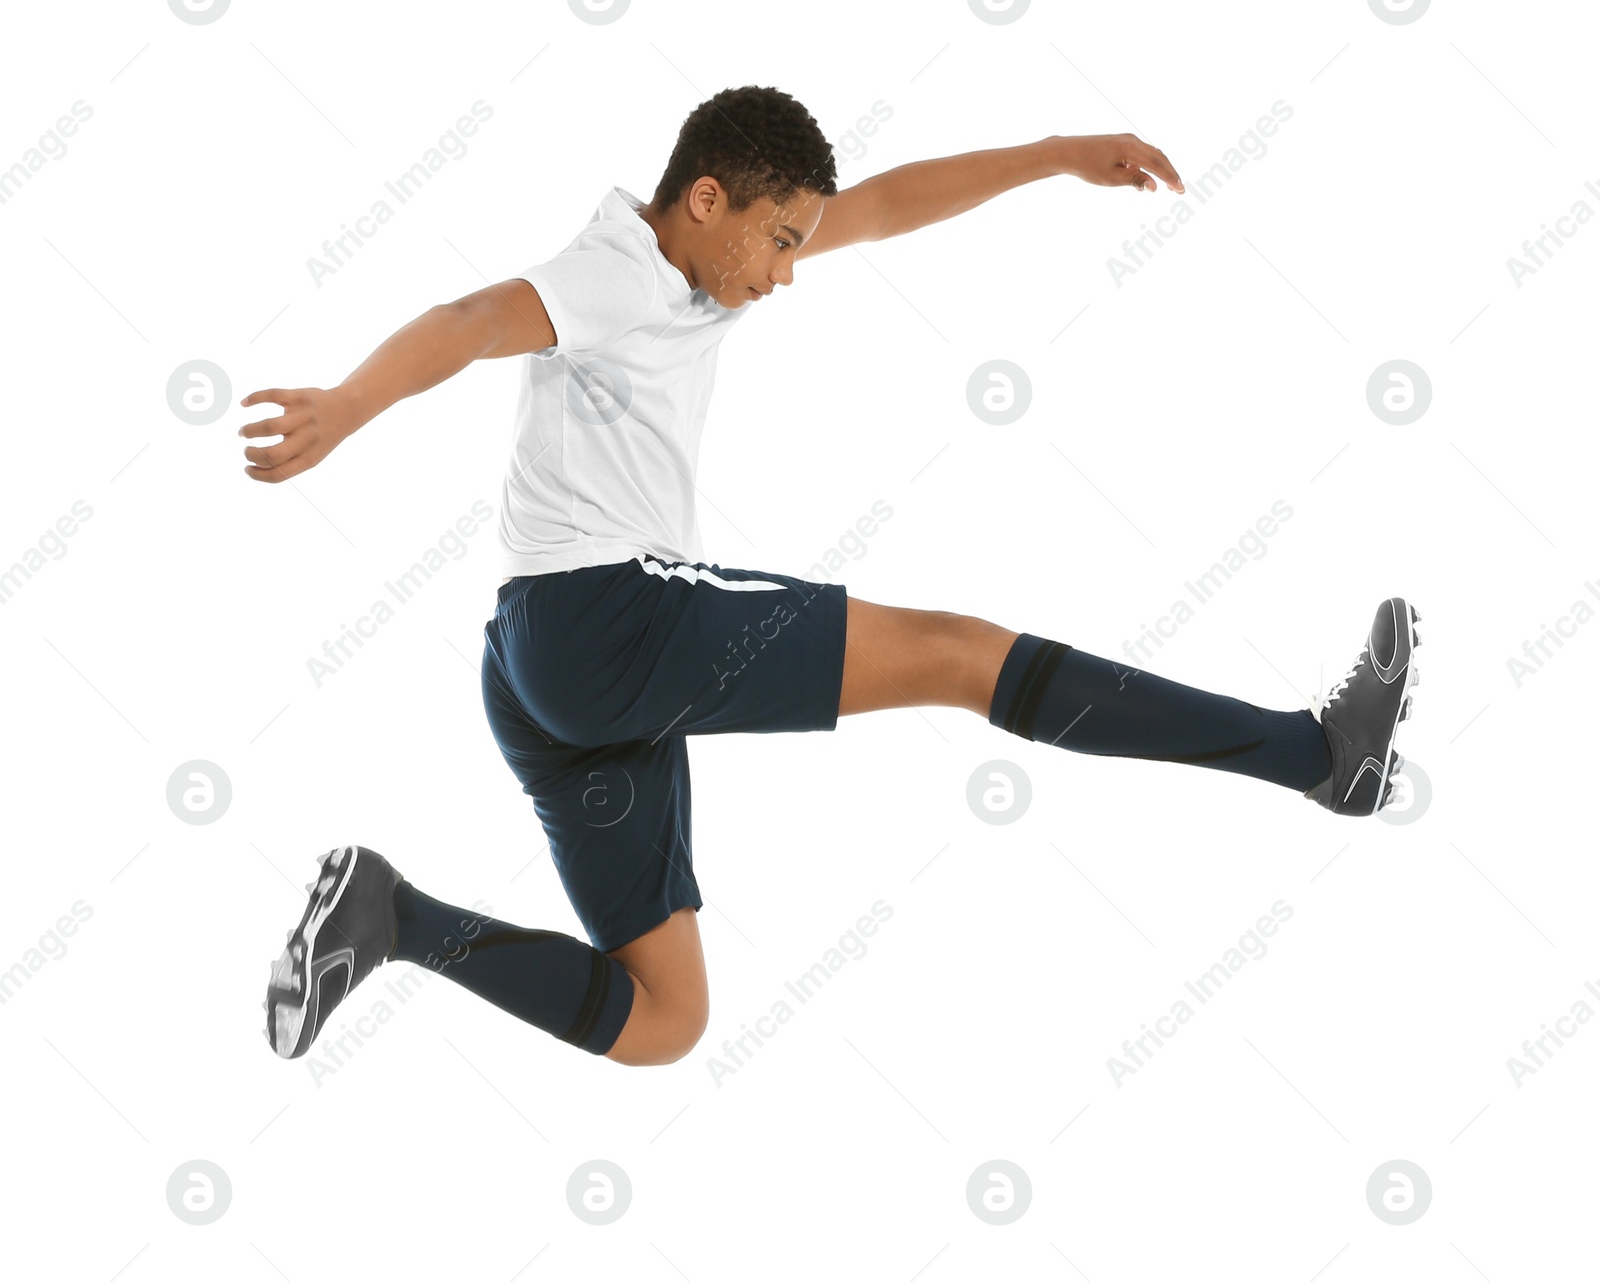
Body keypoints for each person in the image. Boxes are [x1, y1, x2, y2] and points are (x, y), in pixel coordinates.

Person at [244, 85, 1419, 1069]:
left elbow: (888, 204)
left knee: (664, 1020)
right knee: (962, 654)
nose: (791, 270)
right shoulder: (617, 272)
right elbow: (469, 316)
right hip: (611, 618)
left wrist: (1058, 155)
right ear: (706, 201)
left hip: (537, 667)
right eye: (781, 241)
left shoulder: (692, 268)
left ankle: (393, 919)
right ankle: (1318, 757)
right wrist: (347, 406)